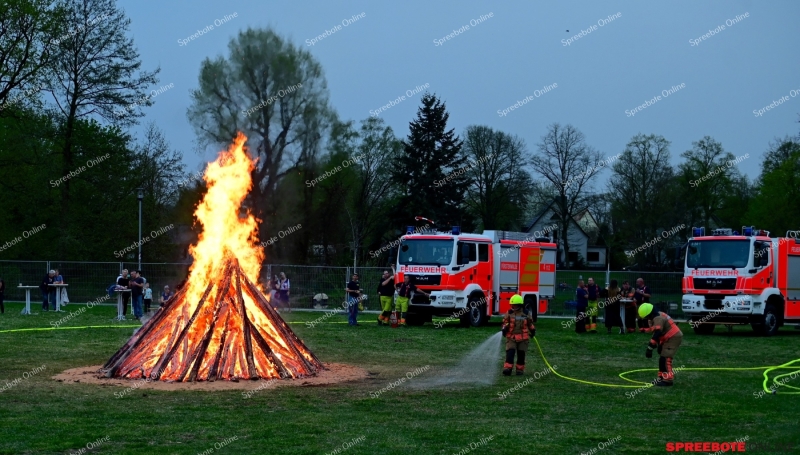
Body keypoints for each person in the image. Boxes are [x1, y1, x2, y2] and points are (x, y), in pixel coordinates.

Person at [639, 302, 683, 386]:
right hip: (669, 337)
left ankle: (668, 380)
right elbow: (660, 332)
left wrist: (650, 348)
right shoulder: (657, 315)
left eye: (647, 317)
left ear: (650, 314)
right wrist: (659, 344)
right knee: (662, 358)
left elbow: (657, 333)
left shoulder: (658, 318)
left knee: (665, 358)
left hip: (673, 338)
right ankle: (662, 377)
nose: (647, 319)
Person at [501, 294, 536, 376]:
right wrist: (504, 328)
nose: (512, 306)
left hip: (523, 338)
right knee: (510, 353)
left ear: (520, 305)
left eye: (514, 305)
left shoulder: (526, 313)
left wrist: (533, 330)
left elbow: (530, 324)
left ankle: (519, 370)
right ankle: (507, 369)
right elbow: (505, 322)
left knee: (521, 354)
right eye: (512, 305)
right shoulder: (509, 313)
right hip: (511, 337)